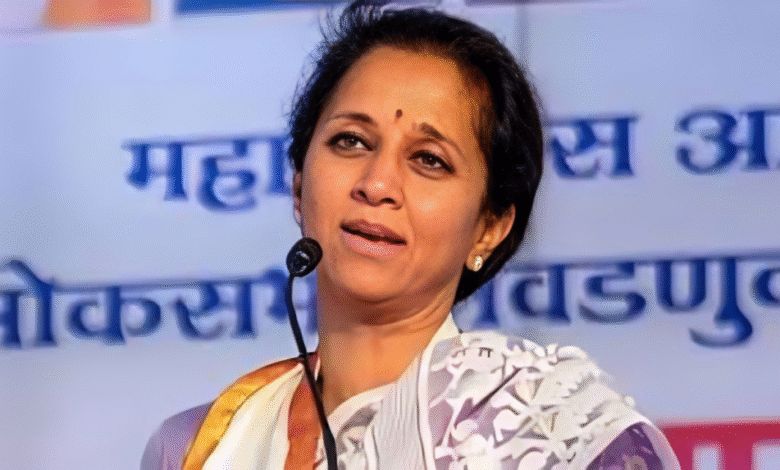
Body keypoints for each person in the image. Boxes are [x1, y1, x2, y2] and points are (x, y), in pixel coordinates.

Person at [142, 2, 680, 469]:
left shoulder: (556, 435)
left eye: (429, 160)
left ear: (489, 227)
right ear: (300, 184)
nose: (377, 184)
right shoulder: (201, 446)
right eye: (351, 141)